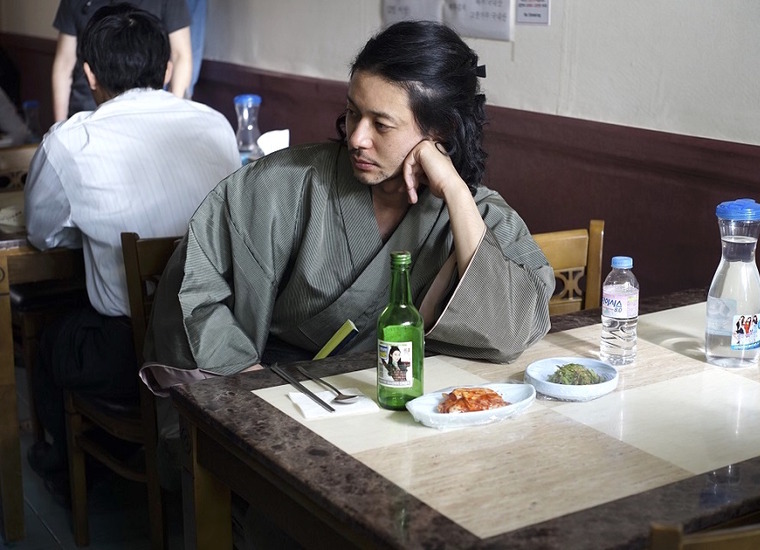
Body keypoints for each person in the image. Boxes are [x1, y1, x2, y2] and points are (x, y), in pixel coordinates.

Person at [146, 20, 554, 377]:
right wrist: (244, 375)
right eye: (354, 112)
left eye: (382, 124)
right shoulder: (283, 184)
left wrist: (454, 190)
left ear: (441, 131)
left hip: (406, 398)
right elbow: (195, 289)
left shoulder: (477, 212)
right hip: (280, 390)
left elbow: (511, 332)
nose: (357, 138)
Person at [24, 3, 240, 501]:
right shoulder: (214, 125)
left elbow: (43, 235)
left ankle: (70, 472)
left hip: (128, 354)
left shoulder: (70, 141)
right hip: (221, 340)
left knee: (53, 339)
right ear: (166, 69)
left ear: (89, 74)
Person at [51, 0, 192, 121]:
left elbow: (181, 56)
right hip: (86, 108)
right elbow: (64, 63)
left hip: (148, 112)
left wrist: (172, 113)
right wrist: (60, 124)